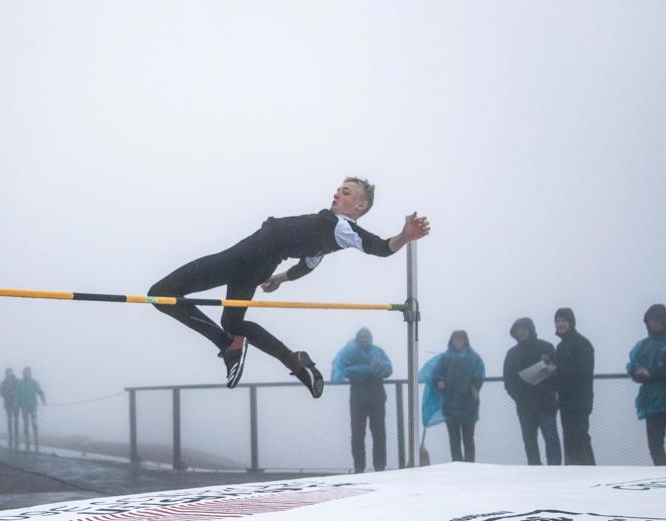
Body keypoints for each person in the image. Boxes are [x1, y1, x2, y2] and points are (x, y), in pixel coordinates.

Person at [148, 177, 429, 397]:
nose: (336, 194)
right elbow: (308, 264)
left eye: (345, 192)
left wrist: (404, 236)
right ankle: (293, 361)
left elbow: (379, 247)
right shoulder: (332, 236)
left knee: (160, 294)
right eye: (338, 189)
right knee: (232, 321)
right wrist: (280, 278)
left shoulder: (341, 227)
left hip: (242, 258)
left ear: (360, 206)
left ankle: (228, 345)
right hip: (256, 265)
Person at [332, 328, 393, 473]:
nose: (363, 339)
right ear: (357, 339)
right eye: (360, 337)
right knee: (358, 434)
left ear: (371, 338)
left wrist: (380, 367)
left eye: (366, 337)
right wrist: (367, 369)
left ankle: (380, 467)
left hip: (376, 396)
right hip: (358, 397)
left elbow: (389, 369)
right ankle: (359, 468)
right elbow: (343, 369)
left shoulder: (378, 352)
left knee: (379, 433)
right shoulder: (350, 353)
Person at [504, 317, 561, 466]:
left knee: (551, 438)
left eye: (524, 329)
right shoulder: (512, 354)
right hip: (525, 406)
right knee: (529, 441)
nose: (521, 332)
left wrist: (551, 375)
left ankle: (555, 470)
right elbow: (508, 381)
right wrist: (519, 397)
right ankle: (534, 471)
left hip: (547, 403)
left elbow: (559, 372)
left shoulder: (547, 347)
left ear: (531, 329)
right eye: (518, 330)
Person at [550, 308, 596, 465]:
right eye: (557, 321)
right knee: (569, 439)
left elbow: (583, 372)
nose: (560, 324)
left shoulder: (582, 343)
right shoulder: (561, 347)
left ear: (571, 322)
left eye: (563, 320)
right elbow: (561, 376)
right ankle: (573, 472)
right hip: (565, 401)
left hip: (580, 401)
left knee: (580, 438)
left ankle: (589, 472)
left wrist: (556, 370)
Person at [432, 331, 485, 462]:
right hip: (450, 404)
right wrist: (438, 382)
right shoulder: (445, 358)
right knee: (454, 439)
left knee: (468, 438)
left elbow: (479, 375)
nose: (458, 342)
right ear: (452, 341)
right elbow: (436, 375)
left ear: (465, 341)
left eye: (461, 339)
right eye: (456, 339)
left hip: (468, 404)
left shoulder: (474, 358)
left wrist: (475, 387)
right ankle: (457, 466)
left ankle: (470, 466)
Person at [627, 304, 666, 466]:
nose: (653, 324)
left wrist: (652, 372)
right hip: (652, 403)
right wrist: (638, 373)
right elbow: (633, 365)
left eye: (657, 320)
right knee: (655, 444)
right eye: (650, 321)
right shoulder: (642, 346)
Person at [16, 367, 46, 452]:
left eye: (27, 373)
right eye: (24, 373)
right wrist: (15, 403)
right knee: (26, 424)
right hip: (24, 407)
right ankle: (27, 440)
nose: (25, 374)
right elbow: (17, 394)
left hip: (33, 406)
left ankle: (36, 439)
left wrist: (43, 399)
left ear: (30, 373)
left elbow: (40, 391)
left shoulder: (34, 382)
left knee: (34, 423)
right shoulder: (20, 383)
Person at [0, 368, 20, 449]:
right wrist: (7, 393)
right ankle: (11, 437)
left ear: (12, 372)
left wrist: (14, 393)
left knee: (16, 421)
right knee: (9, 421)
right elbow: (0, 392)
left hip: (15, 403)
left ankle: (16, 437)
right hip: (8, 403)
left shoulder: (17, 381)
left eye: (9, 372)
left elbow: (20, 390)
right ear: (6, 373)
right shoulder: (3, 383)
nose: (8, 374)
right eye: (7, 372)